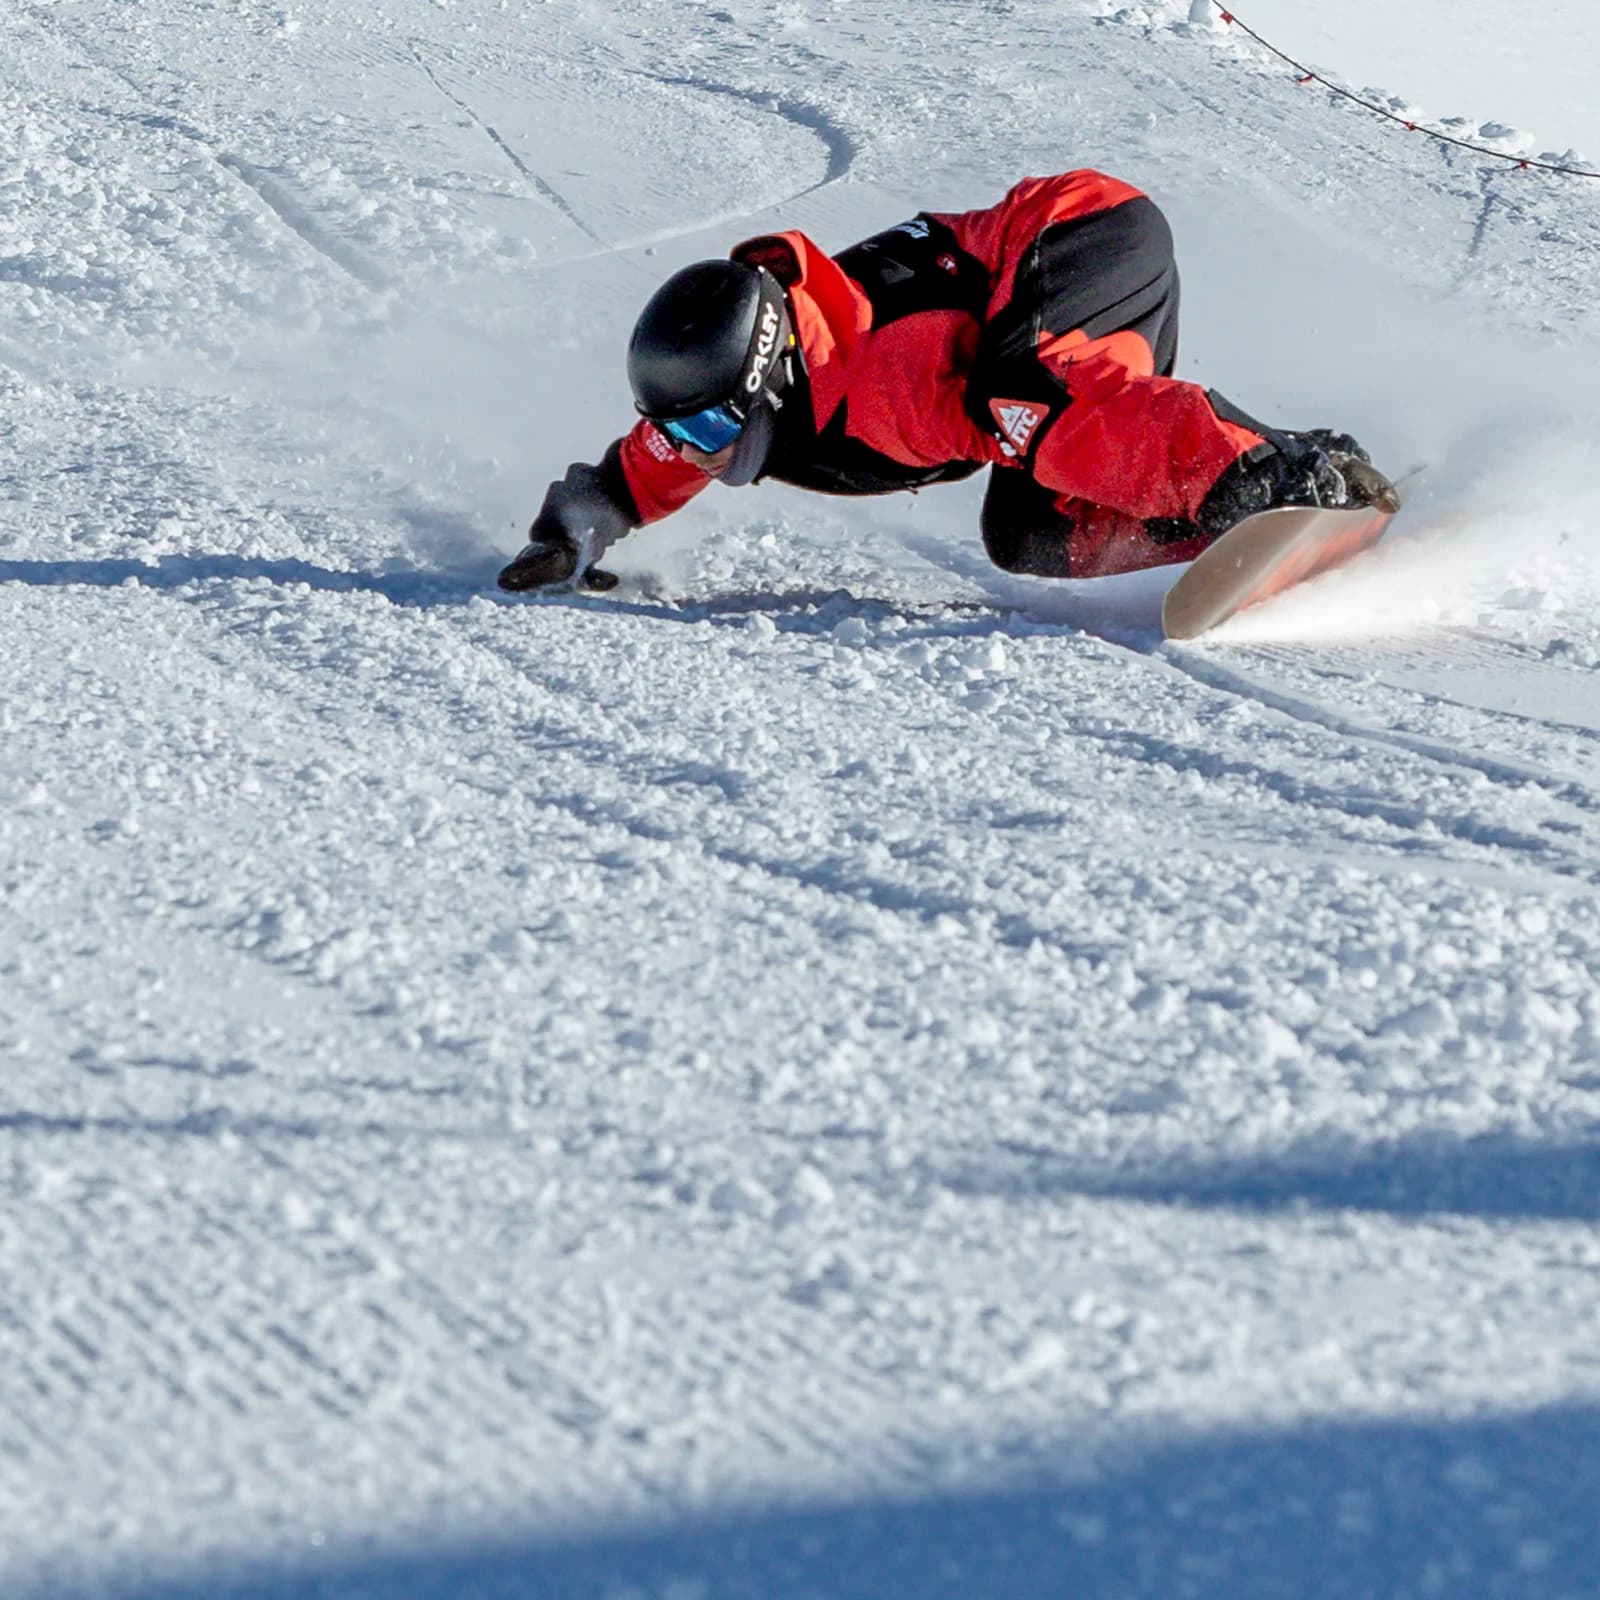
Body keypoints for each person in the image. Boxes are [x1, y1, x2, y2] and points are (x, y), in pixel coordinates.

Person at [498, 168, 1391, 593]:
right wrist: (579, 527)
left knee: (1026, 403)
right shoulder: (736, 398)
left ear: (768, 379)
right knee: (1031, 533)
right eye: (692, 435)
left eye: (711, 431)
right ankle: (1219, 517)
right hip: (1041, 313)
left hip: (1081, 233)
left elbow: (1050, 414)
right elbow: (653, 457)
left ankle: (1271, 474)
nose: (703, 452)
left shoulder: (884, 379)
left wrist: (1215, 468)